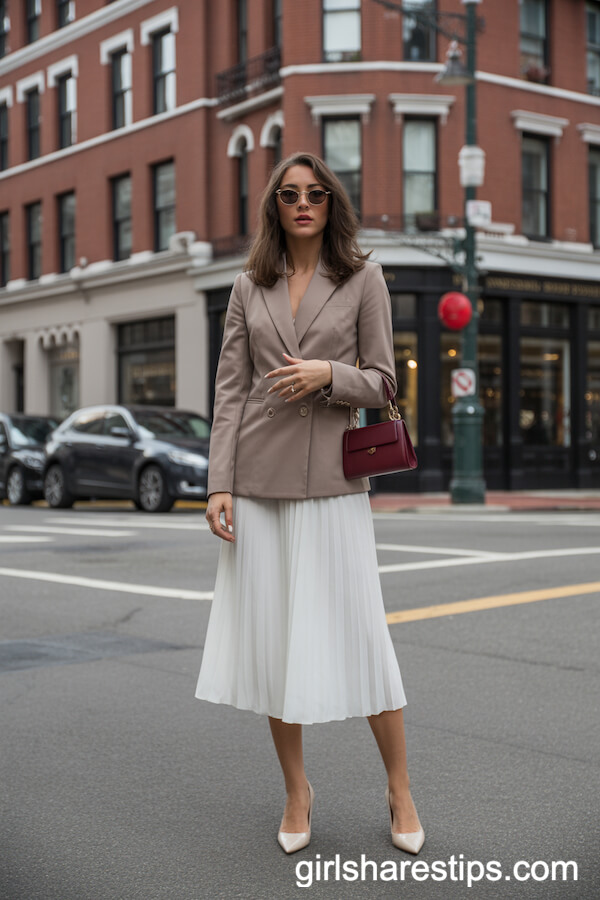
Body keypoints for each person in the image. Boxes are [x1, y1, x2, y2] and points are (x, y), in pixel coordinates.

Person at [195, 152, 424, 856]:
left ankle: (400, 787)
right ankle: (297, 791)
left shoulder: (364, 279)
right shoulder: (247, 285)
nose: (303, 203)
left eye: (315, 194)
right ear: (275, 205)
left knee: (363, 636)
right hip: (259, 486)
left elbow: (385, 383)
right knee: (275, 645)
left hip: (332, 483)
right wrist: (218, 482)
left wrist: (330, 374)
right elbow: (231, 389)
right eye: (290, 194)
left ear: (331, 204)